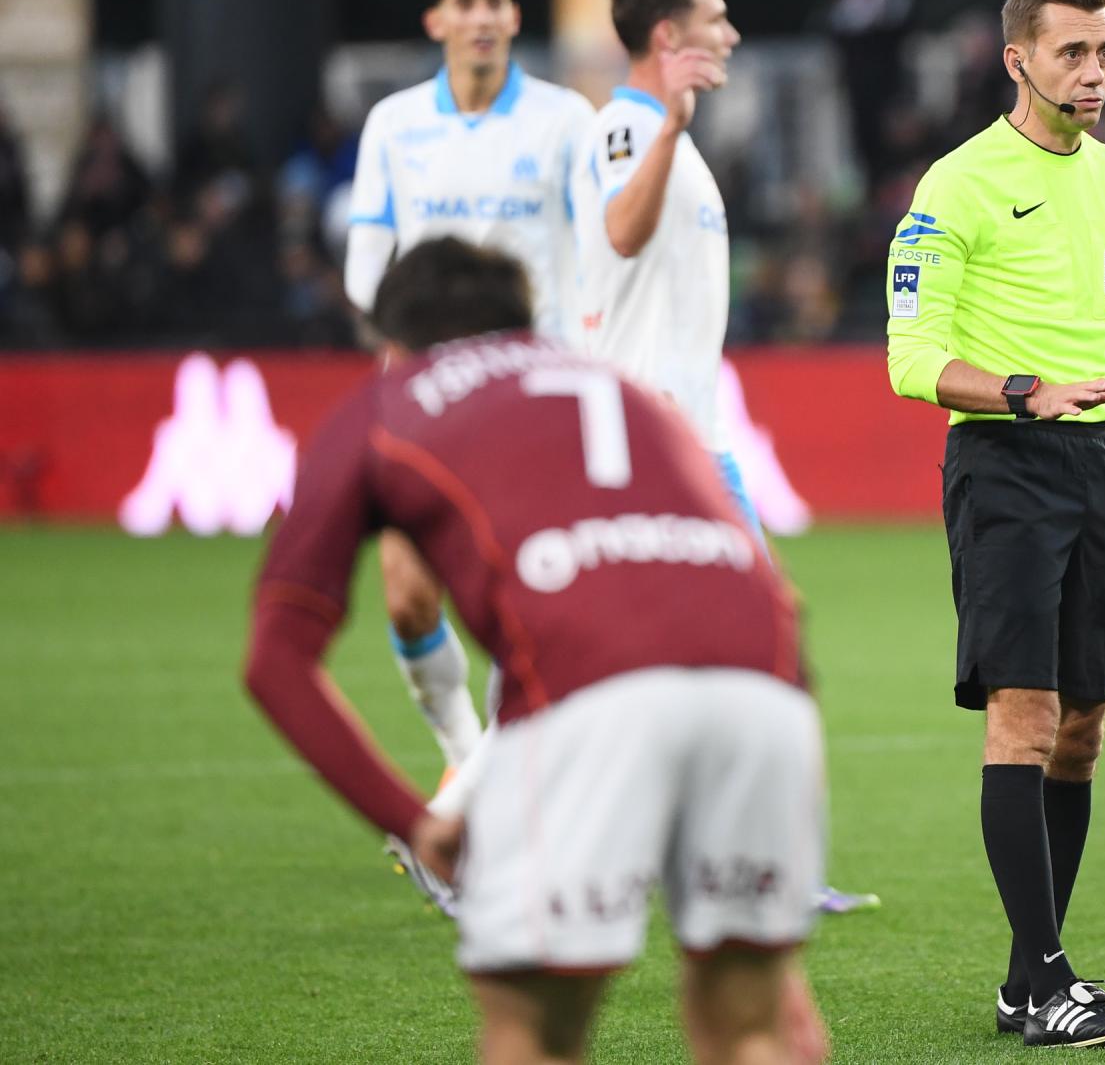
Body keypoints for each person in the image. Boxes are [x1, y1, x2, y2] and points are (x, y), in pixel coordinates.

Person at [244, 238, 829, 1065]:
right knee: (754, 1030)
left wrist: (412, 819)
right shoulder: (622, 387)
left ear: (395, 344)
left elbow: (275, 657)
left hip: (588, 698)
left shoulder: (386, 404)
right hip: (765, 683)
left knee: (534, 1030)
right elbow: (781, 594)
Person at [885, 0, 1105, 1050]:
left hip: (1093, 472)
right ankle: (1047, 974)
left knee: (1082, 734)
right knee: (1021, 717)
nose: (1095, 71)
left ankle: (1033, 980)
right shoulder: (957, 184)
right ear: (1016, 59)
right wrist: (1024, 389)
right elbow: (910, 357)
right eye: (1071, 52)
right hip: (1003, 465)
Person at [570, 0, 877, 918]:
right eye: (716, 16)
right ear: (669, 37)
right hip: (651, 441)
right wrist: (668, 125)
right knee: (734, 643)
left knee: (718, 649)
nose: (732, 33)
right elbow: (621, 232)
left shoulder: (672, 138)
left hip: (689, 438)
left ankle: (745, 854)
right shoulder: (626, 127)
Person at [342, 0, 595, 795]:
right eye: (467, 1)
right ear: (436, 19)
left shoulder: (565, 120)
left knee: (512, 599)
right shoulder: (395, 125)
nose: (483, 16)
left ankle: (475, 793)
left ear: (516, 16)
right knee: (409, 595)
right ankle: (465, 750)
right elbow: (365, 258)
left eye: (496, 0)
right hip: (423, 389)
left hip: (531, 391)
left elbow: (596, 255)